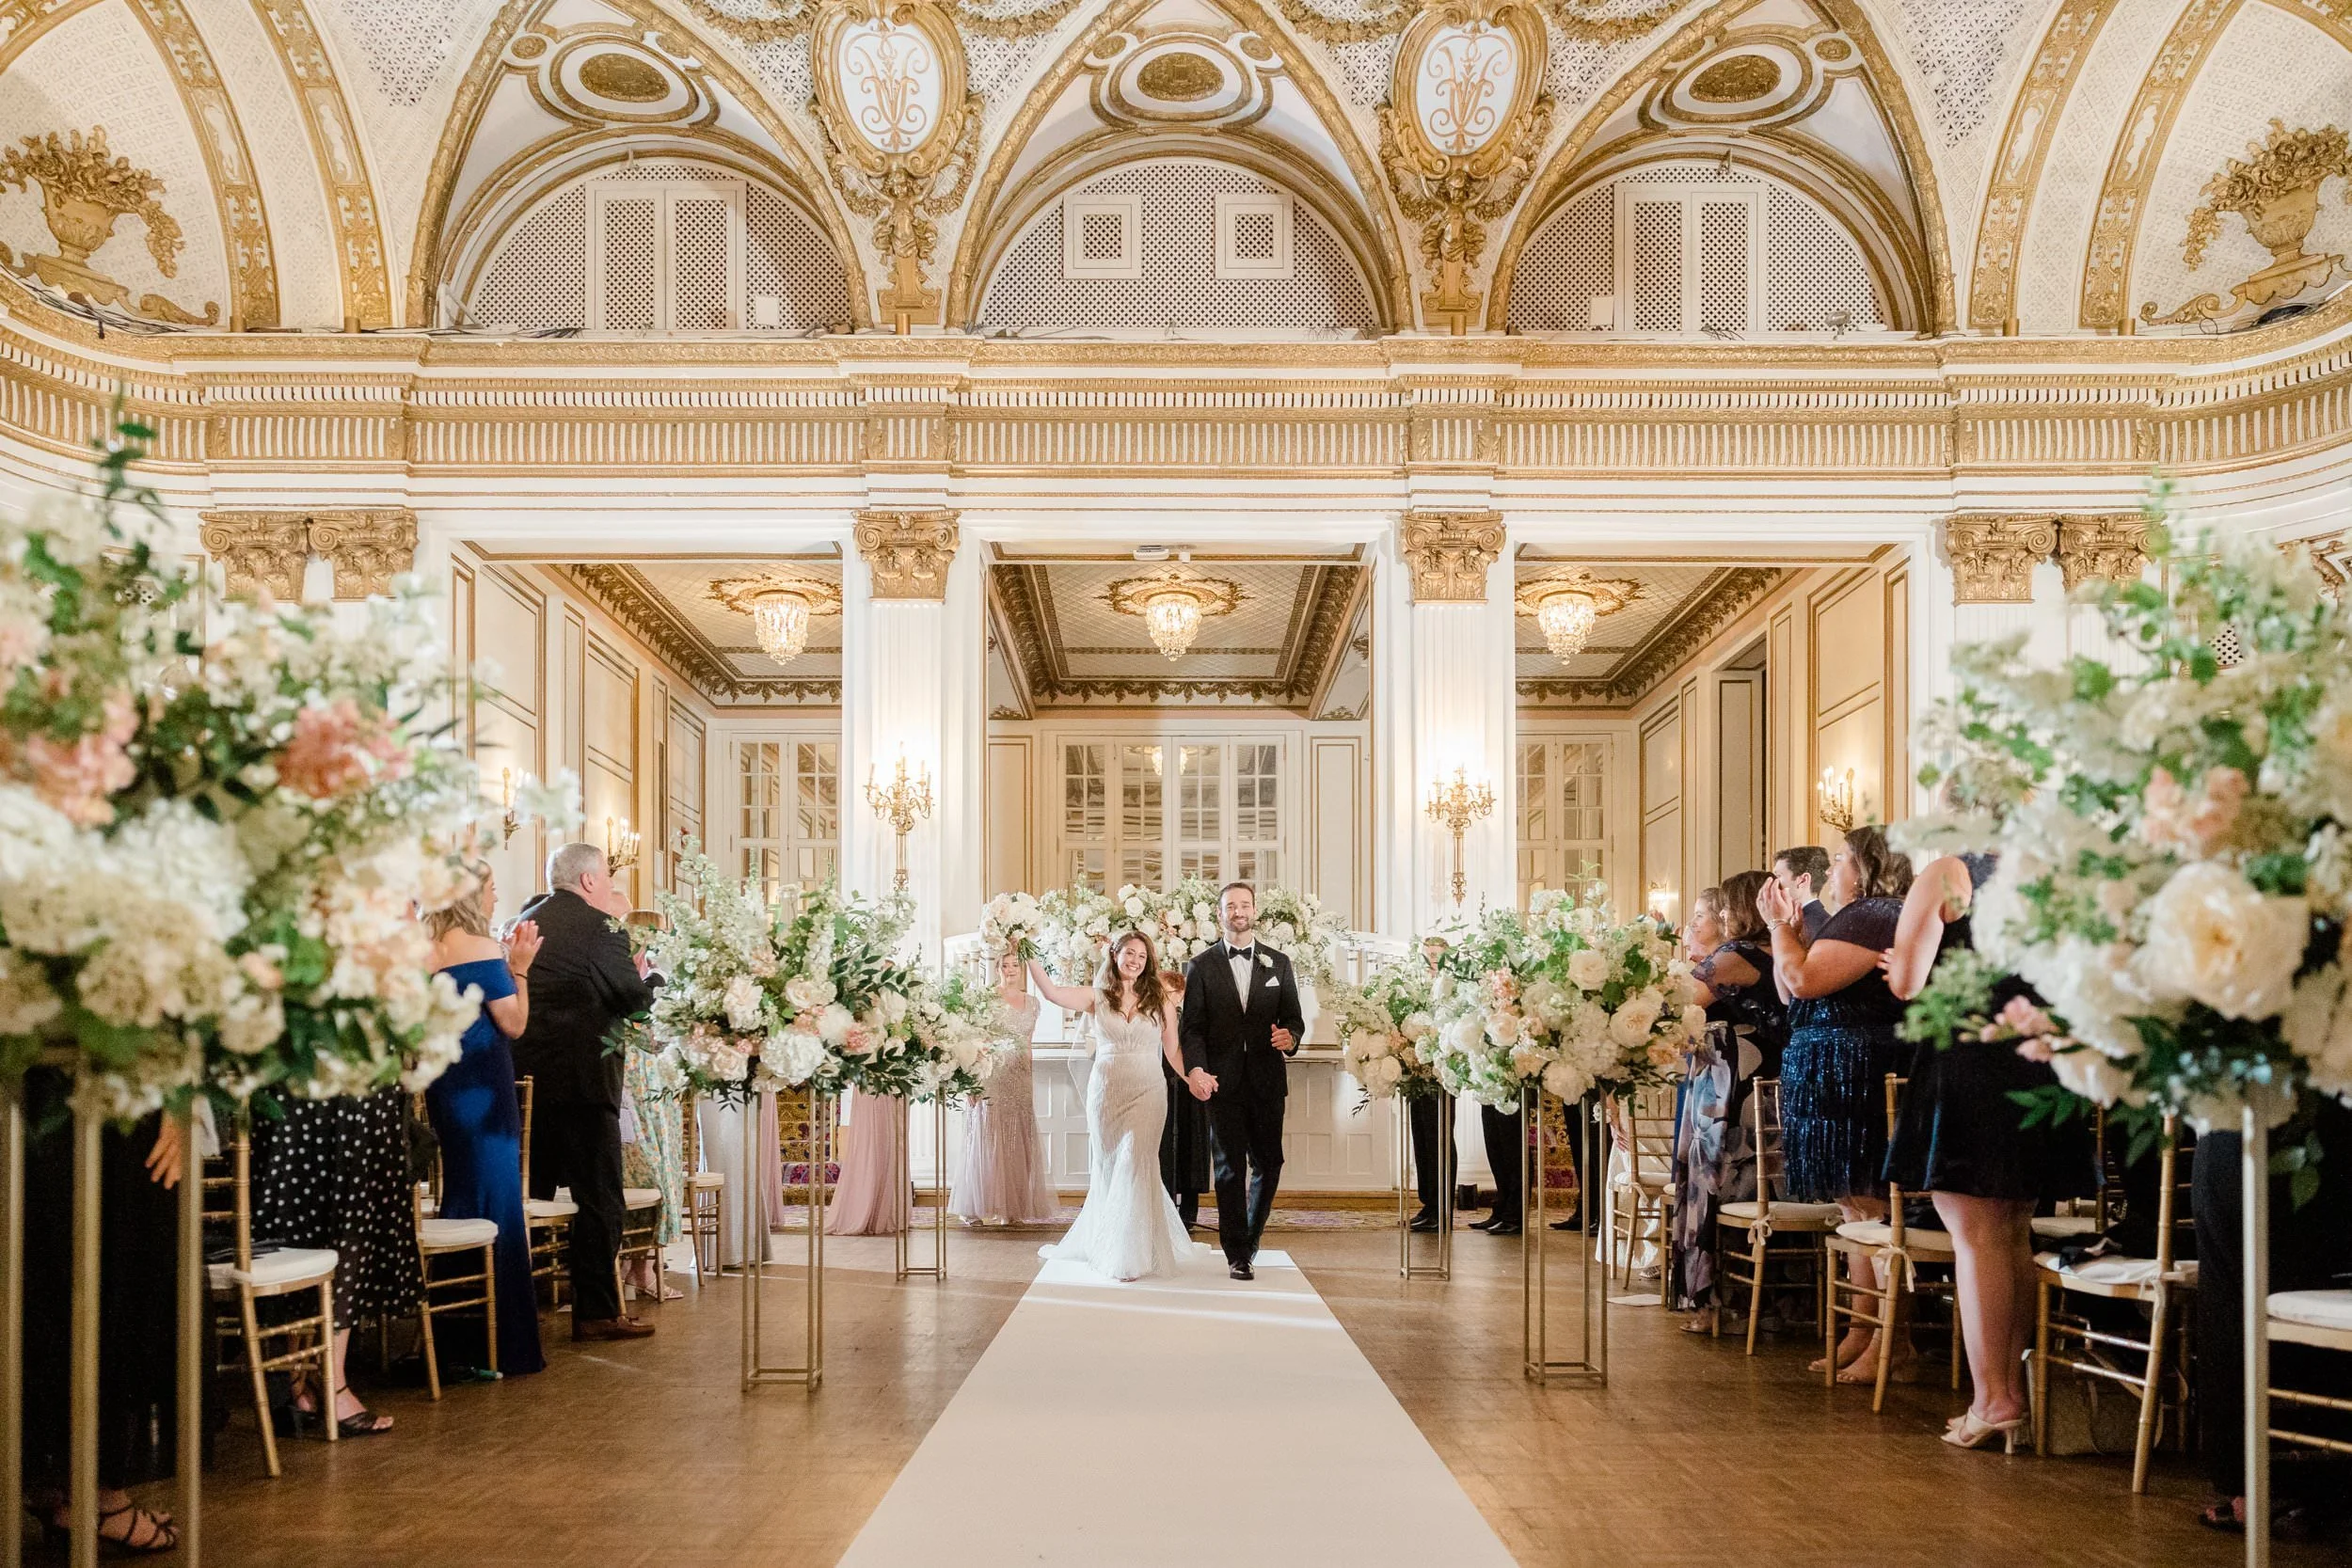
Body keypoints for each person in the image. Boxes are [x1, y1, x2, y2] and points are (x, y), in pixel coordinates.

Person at [1882, 851, 2097, 1449]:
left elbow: (1908, 981)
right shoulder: (2054, 873)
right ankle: (2010, 1392)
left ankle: (1992, 1398)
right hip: (2035, 1061)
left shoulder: (1951, 871)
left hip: (1972, 1062)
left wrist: (1898, 964)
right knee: (2012, 1233)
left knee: (1974, 1237)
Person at [1758, 824, 1911, 1379]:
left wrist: (1780, 926)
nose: (1834, 868)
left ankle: (1891, 1343)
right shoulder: (1855, 918)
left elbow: (1800, 982)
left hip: (1858, 1073)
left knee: (1871, 1207)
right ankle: (1861, 1331)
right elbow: (1786, 990)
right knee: (1853, 1209)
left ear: (1869, 865)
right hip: (1828, 1070)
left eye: (1843, 858)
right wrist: (1789, 932)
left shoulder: (1877, 914)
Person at [18, 1070, 182, 1551]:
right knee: (113, 1278)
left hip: (52, 1072)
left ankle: (59, 1481)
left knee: (50, 1273)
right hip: (113, 1080)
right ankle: (97, 1494)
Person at [511, 842, 657, 1342]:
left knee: (529, 1198)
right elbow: (632, 999)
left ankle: (518, 1311)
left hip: (524, 1087)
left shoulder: (523, 918)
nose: (612, 889)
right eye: (610, 880)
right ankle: (596, 1311)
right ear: (590, 880)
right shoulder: (601, 928)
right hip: (583, 1086)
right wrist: (648, 979)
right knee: (599, 1201)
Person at [423, 865, 548, 1377]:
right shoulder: (477, 945)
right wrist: (519, 967)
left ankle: (454, 1340)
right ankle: (503, 1344)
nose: (498, 895)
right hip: (485, 1088)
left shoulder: (426, 944)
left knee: (462, 1199)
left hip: (446, 1087)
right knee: (498, 1205)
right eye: (493, 887)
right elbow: (514, 1023)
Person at [1027, 933, 1207, 1281]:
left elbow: (1173, 1051)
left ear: (1148, 961)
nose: (1135, 960)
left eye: (1142, 955)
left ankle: (1130, 1256)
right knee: (1110, 1168)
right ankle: (1111, 1241)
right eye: (1129, 953)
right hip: (1107, 1094)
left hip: (1148, 1091)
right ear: (1115, 954)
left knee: (1135, 1162)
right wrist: (1027, 951)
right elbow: (1051, 992)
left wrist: (1192, 1079)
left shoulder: (1160, 1000)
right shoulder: (1096, 997)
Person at [250, 1085, 420, 1434]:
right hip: (349, 1075)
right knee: (344, 1221)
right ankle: (329, 1380)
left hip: (308, 1073)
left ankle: (297, 1383)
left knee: (303, 1213)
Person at [1673, 872, 1787, 1330]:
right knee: (1752, 1182)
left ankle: (1718, 1304)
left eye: (1721, 910)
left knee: (1717, 1181)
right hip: (1761, 1073)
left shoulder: (1734, 955)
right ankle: (1765, 1304)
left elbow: (1680, 1005)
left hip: (1731, 1086)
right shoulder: (1779, 950)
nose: (1718, 917)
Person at [1179, 882, 1307, 1279]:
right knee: (1229, 1168)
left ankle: (1249, 1239)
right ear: (1220, 914)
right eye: (1231, 906)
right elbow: (1192, 1028)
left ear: (1254, 910)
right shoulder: (1200, 966)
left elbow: (1294, 1018)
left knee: (1270, 1162)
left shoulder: (1279, 963)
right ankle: (1237, 1253)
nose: (1239, 911)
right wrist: (1197, 1069)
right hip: (1223, 1083)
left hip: (1268, 1081)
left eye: (1245, 904)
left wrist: (1291, 1038)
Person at [949, 950, 1059, 1227]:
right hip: (990, 1074)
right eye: (1005, 965)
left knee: (1015, 1138)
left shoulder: (1033, 1003)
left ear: (1021, 969)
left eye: (1015, 965)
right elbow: (974, 1040)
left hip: (1018, 1076)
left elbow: (1028, 1043)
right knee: (987, 1135)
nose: (1010, 970)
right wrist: (972, 1081)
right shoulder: (987, 999)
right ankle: (974, 1207)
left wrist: (1029, 1077)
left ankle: (1010, 1209)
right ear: (997, 967)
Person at [1158, 965, 1211, 1229]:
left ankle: (1189, 1214)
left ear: (1180, 995)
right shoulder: (1154, 1016)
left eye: (1169, 993)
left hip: (1189, 1089)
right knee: (1164, 1146)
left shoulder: (1192, 1018)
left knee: (1193, 1146)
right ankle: (1165, 1207)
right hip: (1162, 1086)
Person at [828, 1091, 910, 1236]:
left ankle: (890, 1209)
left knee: (892, 1140)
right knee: (875, 1139)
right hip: (872, 1084)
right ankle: (869, 1207)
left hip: (894, 1085)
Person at [1770, 845, 1833, 942]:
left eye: (1778, 876)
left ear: (1803, 880)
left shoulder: (1815, 928)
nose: (1774, 882)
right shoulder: (1820, 921)